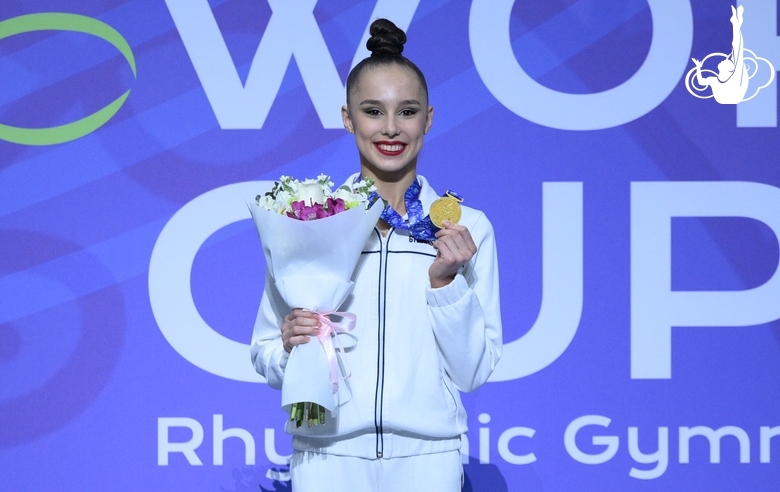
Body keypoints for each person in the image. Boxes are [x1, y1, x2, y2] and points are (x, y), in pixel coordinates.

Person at [251, 18, 502, 491]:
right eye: (373, 111)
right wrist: (291, 347)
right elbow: (264, 352)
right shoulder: (307, 222)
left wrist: (446, 285)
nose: (391, 128)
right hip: (327, 456)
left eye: (407, 112)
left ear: (428, 118)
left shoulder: (466, 229)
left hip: (429, 459)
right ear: (348, 118)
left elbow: (473, 371)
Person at [691, 5, 748, 104]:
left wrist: (736, 25)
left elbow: (737, 48)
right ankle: (736, 24)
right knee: (736, 50)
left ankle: (736, 24)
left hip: (733, 96)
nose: (725, 59)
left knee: (737, 50)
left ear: (730, 69)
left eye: (728, 62)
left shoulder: (735, 77)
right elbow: (701, 82)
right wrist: (698, 67)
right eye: (728, 60)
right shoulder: (714, 80)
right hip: (726, 98)